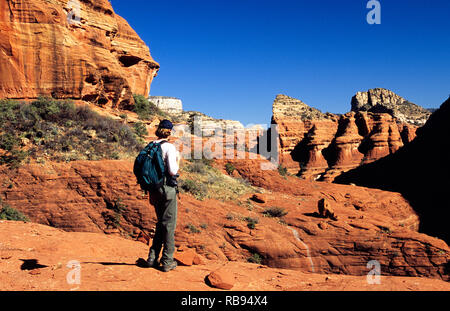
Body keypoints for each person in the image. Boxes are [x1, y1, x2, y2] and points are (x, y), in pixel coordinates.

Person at [144, 119, 180, 272]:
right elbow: (173, 171)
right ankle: (167, 261)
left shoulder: (150, 146)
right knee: (169, 225)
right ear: (170, 132)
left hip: (153, 189)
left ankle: (152, 258)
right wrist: (178, 160)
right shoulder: (169, 147)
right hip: (167, 189)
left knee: (161, 223)